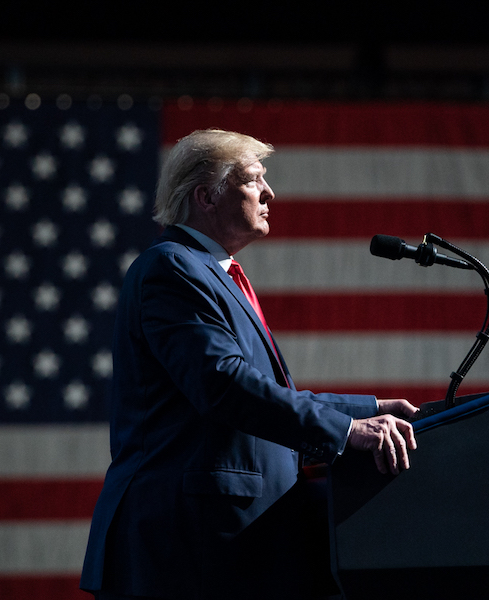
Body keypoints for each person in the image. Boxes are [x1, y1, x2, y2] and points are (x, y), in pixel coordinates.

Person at [80, 129, 418, 600]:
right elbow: (225, 385)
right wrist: (346, 432)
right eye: (254, 179)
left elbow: (258, 389)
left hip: (236, 549)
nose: (269, 192)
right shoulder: (173, 268)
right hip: (187, 548)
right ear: (206, 197)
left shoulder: (212, 274)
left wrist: (369, 408)